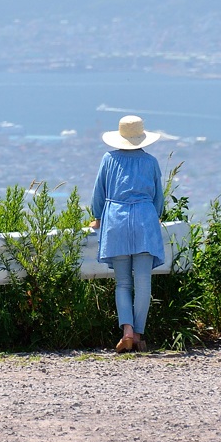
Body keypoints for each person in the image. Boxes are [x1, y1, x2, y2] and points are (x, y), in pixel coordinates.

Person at [89, 115, 166, 353]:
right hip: (144, 220)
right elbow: (158, 200)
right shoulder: (151, 162)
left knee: (122, 283)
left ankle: (127, 332)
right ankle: (140, 336)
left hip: (116, 221)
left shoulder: (108, 159)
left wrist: (97, 216)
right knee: (143, 284)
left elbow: (98, 193)